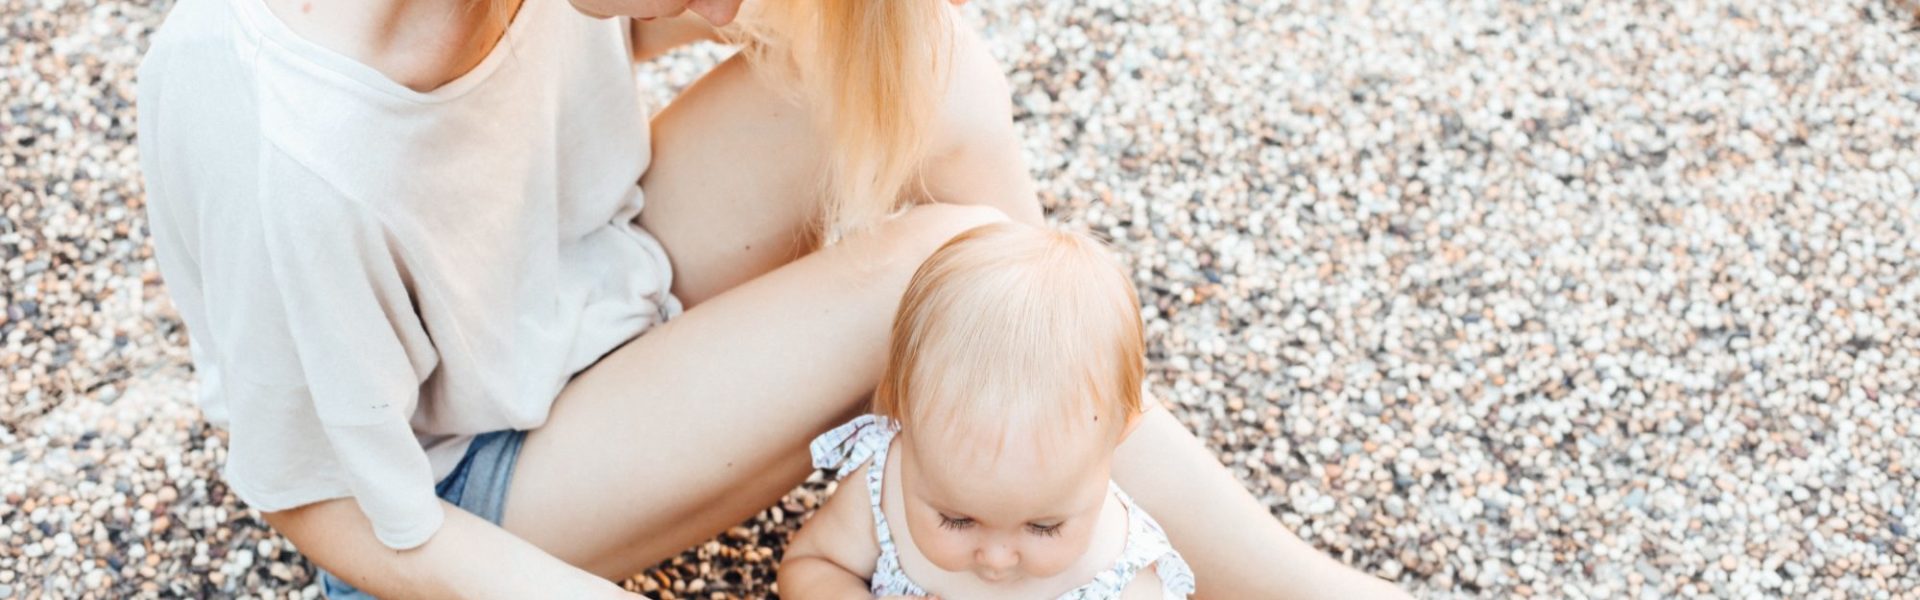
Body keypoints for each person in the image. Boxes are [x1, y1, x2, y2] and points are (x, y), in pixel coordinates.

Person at [134, 0, 1408, 596]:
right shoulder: (284, 131)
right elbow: (328, 510)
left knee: (928, 63)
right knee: (933, 261)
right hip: (465, 482)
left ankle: (1028, 480)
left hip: (590, 279)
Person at [782, 222, 1196, 599]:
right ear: (901, 416)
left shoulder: (1124, 581)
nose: (996, 559)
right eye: (957, 520)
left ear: (1118, 434)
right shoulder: (884, 483)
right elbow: (813, 566)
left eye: (1044, 526)